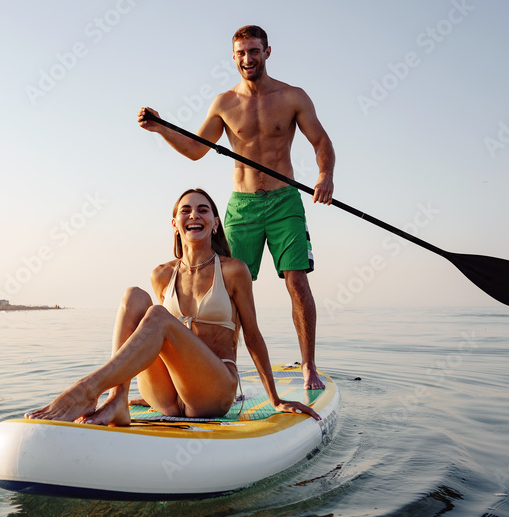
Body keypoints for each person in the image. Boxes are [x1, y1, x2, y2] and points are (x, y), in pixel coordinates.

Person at [138, 25, 335, 390]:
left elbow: (320, 140)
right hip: (242, 206)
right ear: (233, 56)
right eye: (241, 53)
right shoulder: (225, 103)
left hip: (285, 201)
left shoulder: (293, 97)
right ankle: (224, 368)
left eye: (254, 51)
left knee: (296, 281)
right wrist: (162, 129)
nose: (248, 59)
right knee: (228, 285)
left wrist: (325, 175)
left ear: (268, 52)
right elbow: (197, 149)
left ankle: (308, 367)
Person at [26, 189, 318, 425]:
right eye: (186, 210)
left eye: (203, 210)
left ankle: (85, 390)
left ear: (216, 223)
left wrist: (275, 398)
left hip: (212, 393)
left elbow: (252, 335)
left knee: (159, 316)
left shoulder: (233, 271)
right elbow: (153, 343)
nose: (194, 215)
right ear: (175, 224)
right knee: (134, 297)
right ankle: (117, 398)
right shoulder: (162, 274)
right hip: (168, 395)